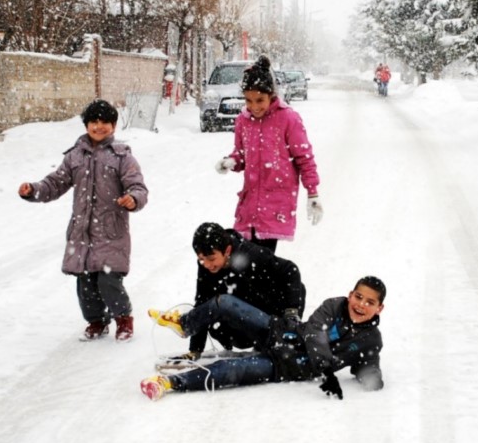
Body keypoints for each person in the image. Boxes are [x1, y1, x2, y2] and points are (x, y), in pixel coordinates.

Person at [18, 99, 148, 341]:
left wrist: (133, 198)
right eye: (94, 122)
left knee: (109, 281)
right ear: (86, 125)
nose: (99, 127)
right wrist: (33, 190)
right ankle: (96, 322)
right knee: (86, 284)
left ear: (114, 126)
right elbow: (55, 183)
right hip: (82, 231)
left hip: (111, 231)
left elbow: (138, 186)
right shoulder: (75, 156)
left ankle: (123, 320)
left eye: (105, 122)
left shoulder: (122, 157)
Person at [142, 276, 386, 400]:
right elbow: (314, 332)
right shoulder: (334, 306)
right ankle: (185, 324)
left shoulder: (371, 339)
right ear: (350, 294)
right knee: (225, 303)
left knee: (228, 370)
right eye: (358, 297)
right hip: (278, 332)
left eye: (370, 302)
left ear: (379, 308)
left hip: (284, 366)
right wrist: (325, 369)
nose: (361, 305)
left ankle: (170, 383)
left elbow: (368, 364)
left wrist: (373, 379)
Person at [150, 222, 306, 360]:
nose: (207, 265)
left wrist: (291, 313)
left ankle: (183, 323)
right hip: (244, 327)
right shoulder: (207, 265)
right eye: (201, 259)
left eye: (211, 259)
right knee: (213, 310)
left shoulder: (250, 254)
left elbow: (291, 270)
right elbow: (202, 301)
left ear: (227, 250)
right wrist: (195, 350)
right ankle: (186, 325)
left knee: (222, 302)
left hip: (273, 318)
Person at [214, 55, 322, 252]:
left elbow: (304, 158)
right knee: (245, 262)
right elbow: (241, 155)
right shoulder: (243, 121)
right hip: (250, 203)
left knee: (260, 263)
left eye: (260, 100)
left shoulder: (288, 118)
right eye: (248, 100)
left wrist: (312, 192)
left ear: (271, 94)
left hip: (276, 203)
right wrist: (231, 161)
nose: (254, 107)